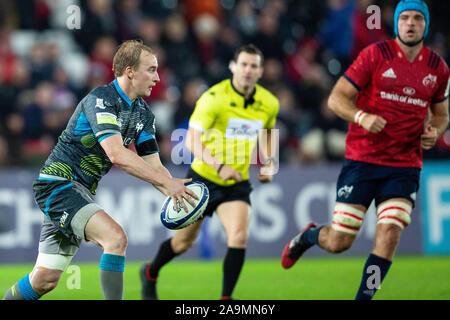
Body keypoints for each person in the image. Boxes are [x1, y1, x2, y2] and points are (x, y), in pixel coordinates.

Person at [3, 40, 197, 300]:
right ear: (130, 71)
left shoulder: (144, 115)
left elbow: (154, 165)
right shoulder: (101, 100)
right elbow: (117, 155)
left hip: (79, 191)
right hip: (58, 184)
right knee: (115, 238)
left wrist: (177, 193)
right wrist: (168, 184)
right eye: (151, 69)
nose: (158, 77)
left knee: (45, 280)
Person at [281, 0, 449, 300]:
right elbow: (336, 99)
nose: (411, 24)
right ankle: (309, 235)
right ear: (396, 23)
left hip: (404, 164)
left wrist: (434, 130)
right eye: (405, 18)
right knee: (339, 242)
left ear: (426, 24)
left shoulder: (438, 68)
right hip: (363, 159)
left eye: (418, 19)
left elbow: (441, 113)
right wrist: (362, 116)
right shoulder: (375, 55)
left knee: (388, 235)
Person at [140, 44, 279, 300]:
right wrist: (220, 167)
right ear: (233, 67)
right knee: (182, 243)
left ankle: (226, 299)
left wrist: (270, 162)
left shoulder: (269, 103)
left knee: (238, 236)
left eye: (254, 66)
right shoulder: (214, 98)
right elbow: (192, 141)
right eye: (244, 64)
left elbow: (268, 131)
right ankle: (150, 271)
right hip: (203, 179)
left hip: (237, 183)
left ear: (261, 72)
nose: (248, 70)